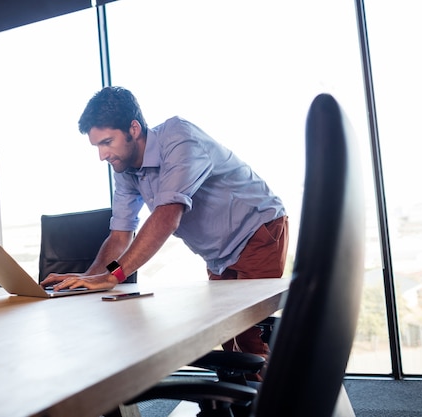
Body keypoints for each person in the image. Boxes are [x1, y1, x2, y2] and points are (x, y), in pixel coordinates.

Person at [41, 86, 288, 374]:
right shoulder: (126, 169)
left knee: (248, 339)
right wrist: (92, 276)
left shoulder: (179, 139)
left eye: (107, 142)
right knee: (228, 339)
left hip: (257, 230)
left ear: (133, 129)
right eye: (97, 146)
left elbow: (167, 215)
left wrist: (114, 275)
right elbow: (121, 234)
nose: (102, 155)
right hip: (218, 253)